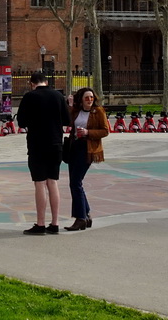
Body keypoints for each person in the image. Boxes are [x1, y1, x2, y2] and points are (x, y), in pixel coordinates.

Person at [16, 71, 70, 235]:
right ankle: (55, 223)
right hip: (55, 144)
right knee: (52, 182)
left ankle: (40, 223)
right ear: (46, 82)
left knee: (39, 183)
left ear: (32, 83)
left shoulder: (29, 97)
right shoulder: (58, 96)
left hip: (37, 144)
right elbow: (67, 121)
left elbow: (21, 122)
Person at [64, 87, 111, 231]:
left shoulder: (98, 112)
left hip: (88, 149)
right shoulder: (77, 111)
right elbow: (68, 121)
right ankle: (86, 215)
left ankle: (80, 218)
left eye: (91, 97)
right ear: (81, 99)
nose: (90, 100)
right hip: (74, 148)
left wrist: (87, 132)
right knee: (76, 183)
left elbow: (105, 131)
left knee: (75, 183)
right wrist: (71, 105)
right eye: (86, 98)